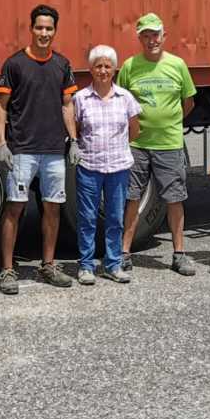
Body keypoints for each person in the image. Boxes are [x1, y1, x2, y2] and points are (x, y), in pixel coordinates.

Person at [0, 4, 78, 294]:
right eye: (39, 27)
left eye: (49, 28)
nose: (44, 33)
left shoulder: (62, 64)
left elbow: (67, 105)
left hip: (54, 150)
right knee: (14, 208)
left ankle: (48, 265)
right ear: (31, 29)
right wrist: (1, 143)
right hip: (22, 151)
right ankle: (7, 270)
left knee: (52, 209)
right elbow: (0, 105)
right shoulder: (15, 64)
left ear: (55, 31)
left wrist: (74, 140)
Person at [116, 13, 199, 276]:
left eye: (156, 35)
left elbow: (188, 102)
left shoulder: (178, 65)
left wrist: (168, 123)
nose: (152, 40)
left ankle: (179, 254)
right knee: (132, 198)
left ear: (164, 36)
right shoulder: (129, 67)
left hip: (169, 145)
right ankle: (124, 253)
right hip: (137, 145)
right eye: (146, 35)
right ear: (139, 38)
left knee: (174, 199)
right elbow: (120, 102)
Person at [64, 45, 141, 285]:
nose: (103, 70)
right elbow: (76, 128)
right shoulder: (81, 98)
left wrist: (116, 148)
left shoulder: (125, 98)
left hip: (118, 167)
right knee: (87, 218)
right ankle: (86, 266)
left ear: (114, 69)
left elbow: (134, 130)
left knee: (115, 218)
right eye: (98, 66)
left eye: (108, 66)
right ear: (91, 69)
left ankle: (112, 264)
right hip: (90, 166)